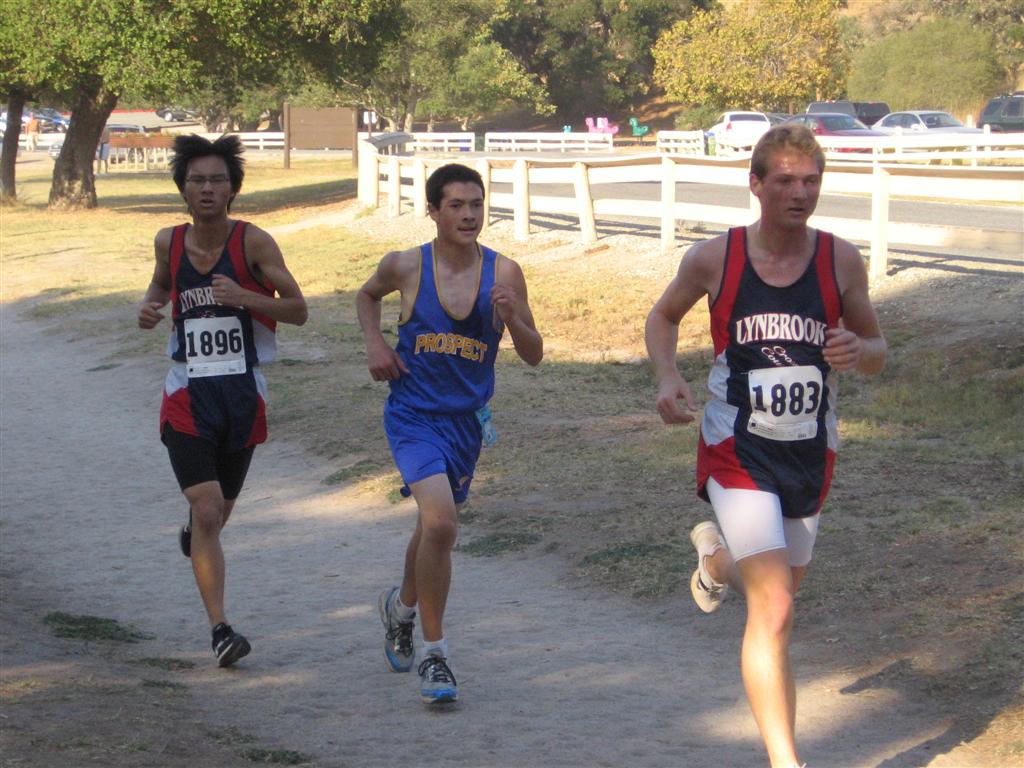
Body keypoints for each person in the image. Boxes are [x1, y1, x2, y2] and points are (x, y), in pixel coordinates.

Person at [645, 124, 886, 768]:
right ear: (755, 184)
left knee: (776, 590)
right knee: (774, 606)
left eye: (810, 181)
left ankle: (713, 559)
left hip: (808, 452)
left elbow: (877, 349)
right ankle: (786, 760)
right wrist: (668, 375)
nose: (799, 193)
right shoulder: (714, 258)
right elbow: (663, 315)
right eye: (784, 181)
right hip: (737, 448)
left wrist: (858, 349)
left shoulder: (840, 260)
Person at [357, 163, 543, 705]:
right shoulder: (406, 265)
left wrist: (514, 318)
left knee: (431, 529)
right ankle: (435, 655)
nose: (468, 215)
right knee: (441, 523)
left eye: (476, 204)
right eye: (456, 205)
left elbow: (533, 354)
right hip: (413, 415)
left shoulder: (505, 272)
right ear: (434, 211)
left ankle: (400, 610)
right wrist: (376, 344)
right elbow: (367, 296)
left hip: (466, 423)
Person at [137, 134, 307, 667]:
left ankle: (196, 532)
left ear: (232, 188)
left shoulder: (254, 243)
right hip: (187, 393)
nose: (207, 188)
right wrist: (149, 307)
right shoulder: (168, 241)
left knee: (216, 515)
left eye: (217, 180)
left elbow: (299, 309)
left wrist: (246, 297)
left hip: (241, 395)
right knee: (209, 508)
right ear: (183, 189)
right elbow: (160, 286)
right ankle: (221, 630)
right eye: (197, 180)